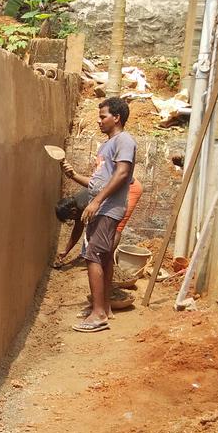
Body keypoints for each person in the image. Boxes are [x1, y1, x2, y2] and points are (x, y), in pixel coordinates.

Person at [60, 97, 137, 332]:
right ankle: (103, 307)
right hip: (101, 206)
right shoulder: (107, 145)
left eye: (103, 116)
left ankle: (98, 314)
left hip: (108, 208)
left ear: (117, 117)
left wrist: (97, 201)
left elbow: (123, 174)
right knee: (102, 257)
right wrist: (72, 174)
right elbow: (97, 182)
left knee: (93, 254)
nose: (99, 120)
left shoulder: (124, 140)